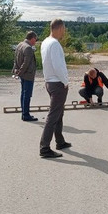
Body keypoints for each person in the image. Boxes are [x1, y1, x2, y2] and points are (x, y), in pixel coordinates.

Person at [39, 19, 71, 158]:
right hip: (57, 83)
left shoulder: (45, 42)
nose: (64, 32)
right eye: (63, 29)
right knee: (53, 116)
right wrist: (65, 82)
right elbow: (58, 66)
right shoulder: (55, 44)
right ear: (59, 28)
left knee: (59, 113)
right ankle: (44, 148)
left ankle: (60, 141)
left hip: (50, 82)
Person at [13, 31, 38, 122]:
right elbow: (26, 63)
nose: (35, 41)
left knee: (23, 93)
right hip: (27, 75)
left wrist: (16, 69)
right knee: (27, 95)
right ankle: (26, 115)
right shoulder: (28, 48)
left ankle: (24, 112)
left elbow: (15, 59)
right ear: (32, 38)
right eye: (35, 39)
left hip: (23, 74)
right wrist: (20, 72)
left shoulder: (20, 45)